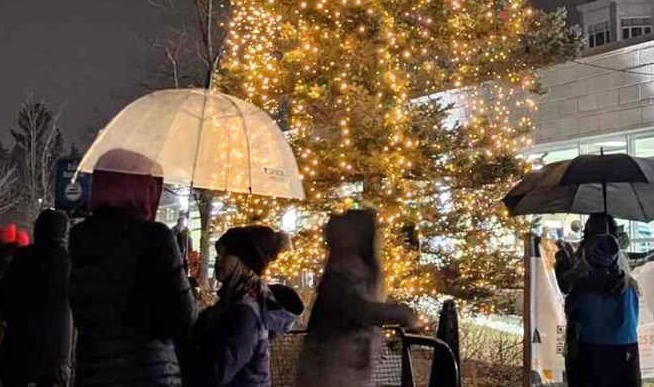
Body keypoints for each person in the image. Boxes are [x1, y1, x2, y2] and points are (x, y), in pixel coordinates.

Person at [68, 151, 195, 387]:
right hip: (148, 373)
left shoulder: (79, 239)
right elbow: (182, 319)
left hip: (93, 374)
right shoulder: (155, 238)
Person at [297, 209, 416, 387]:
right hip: (331, 369)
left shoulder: (351, 270)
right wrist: (400, 314)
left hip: (347, 368)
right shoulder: (338, 277)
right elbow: (358, 310)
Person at [186, 225, 299, 387]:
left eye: (226, 254)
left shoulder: (245, 312)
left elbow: (217, 371)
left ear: (244, 260)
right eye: (219, 254)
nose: (218, 259)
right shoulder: (232, 302)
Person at [0, 210, 71, 387]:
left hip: (19, 343)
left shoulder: (22, 258)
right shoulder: (67, 260)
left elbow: (5, 296)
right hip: (56, 347)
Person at [562, 214, 640, 387]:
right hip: (626, 346)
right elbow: (634, 316)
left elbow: (570, 310)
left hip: (590, 347)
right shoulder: (630, 284)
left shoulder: (582, 285)